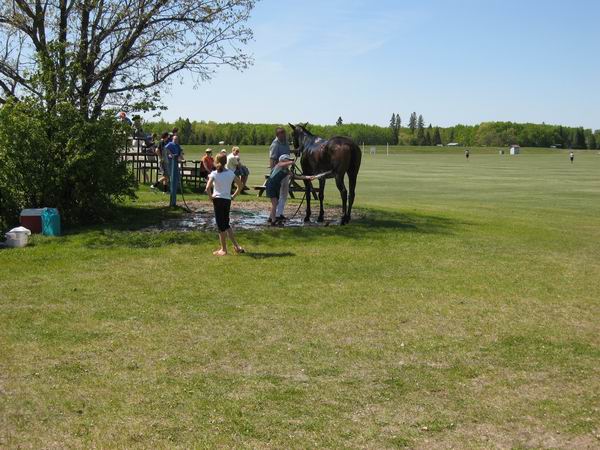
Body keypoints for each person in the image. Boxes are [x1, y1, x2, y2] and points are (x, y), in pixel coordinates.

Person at [205, 153, 245, 256]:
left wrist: (210, 197)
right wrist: (233, 196)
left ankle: (223, 249)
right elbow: (240, 185)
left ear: (216, 162)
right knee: (226, 224)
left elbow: (207, 188)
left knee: (220, 226)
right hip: (227, 200)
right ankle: (236, 246)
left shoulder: (214, 173)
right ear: (226, 162)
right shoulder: (231, 173)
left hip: (218, 200)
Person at [265, 154, 315, 226]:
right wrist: (291, 162)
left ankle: (271, 218)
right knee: (275, 203)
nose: (289, 161)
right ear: (283, 160)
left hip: (276, 186)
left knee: (275, 203)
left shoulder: (286, 170)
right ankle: (273, 221)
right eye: (287, 160)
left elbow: (297, 176)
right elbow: (283, 163)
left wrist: (308, 177)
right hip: (271, 186)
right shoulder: (279, 165)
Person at [269, 127, 292, 221]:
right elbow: (272, 159)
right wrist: (273, 173)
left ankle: (279, 213)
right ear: (278, 135)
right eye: (282, 135)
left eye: (285, 135)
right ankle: (274, 216)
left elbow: (287, 153)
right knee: (278, 195)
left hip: (285, 171)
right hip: (278, 172)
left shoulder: (285, 142)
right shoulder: (275, 144)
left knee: (284, 193)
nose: (284, 137)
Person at [165, 135, 184, 206]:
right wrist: (171, 154)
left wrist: (182, 159)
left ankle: (175, 188)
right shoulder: (170, 144)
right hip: (171, 162)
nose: (176, 140)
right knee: (171, 176)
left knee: (177, 175)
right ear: (173, 139)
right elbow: (166, 148)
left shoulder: (177, 145)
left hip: (176, 162)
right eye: (175, 139)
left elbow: (180, 153)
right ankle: (171, 190)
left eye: (177, 139)